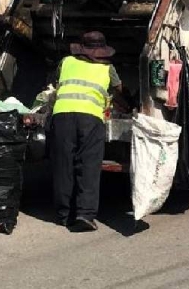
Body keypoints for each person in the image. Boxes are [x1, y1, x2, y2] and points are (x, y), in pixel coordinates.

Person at [50, 31, 125, 232]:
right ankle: (84, 214)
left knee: (63, 165)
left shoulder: (66, 62)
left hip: (62, 115)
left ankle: (63, 214)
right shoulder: (107, 68)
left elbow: (56, 82)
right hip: (90, 118)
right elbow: (119, 89)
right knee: (88, 166)